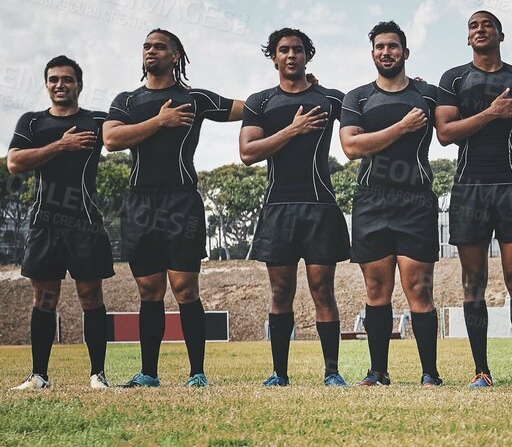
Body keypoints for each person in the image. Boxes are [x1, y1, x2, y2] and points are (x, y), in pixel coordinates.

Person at [102, 28, 244, 388]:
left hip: (181, 201)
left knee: (185, 290)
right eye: (147, 46)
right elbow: (111, 139)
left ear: (176, 55)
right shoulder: (128, 100)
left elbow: (251, 108)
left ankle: (197, 373)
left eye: (160, 46)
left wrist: (298, 88)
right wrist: (159, 122)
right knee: (149, 292)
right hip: (139, 204)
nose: (151, 51)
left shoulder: (194, 98)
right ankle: (148, 373)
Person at [435, 10, 512, 387]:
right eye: (472, 26)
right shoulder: (454, 78)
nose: (480, 29)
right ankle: (481, 371)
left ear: (501, 33)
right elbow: (445, 133)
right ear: (467, 38)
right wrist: (493, 112)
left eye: (487, 24)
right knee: (473, 282)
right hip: (469, 189)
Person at [240, 27, 350, 386]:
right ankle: (279, 373)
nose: (291, 55)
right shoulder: (260, 102)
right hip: (278, 209)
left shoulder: (331, 98)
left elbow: (371, 108)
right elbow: (248, 154)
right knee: (281, 293)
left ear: (307, 56)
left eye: (298, 50)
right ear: (273, 56)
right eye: (284, 50)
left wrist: (416, 89)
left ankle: (332, 373)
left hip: (320, 207)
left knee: (323, 291)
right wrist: (294, 128)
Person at [339, 20, 447, 385]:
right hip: (372, 201)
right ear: (372, 54)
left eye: (393, 46)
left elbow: (452, 125)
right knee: (376, 290)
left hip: (416, 200)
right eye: (380, 47)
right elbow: (351, 147)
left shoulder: (428, 95)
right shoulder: (357, 98)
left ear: (405, 52)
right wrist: (401, 128)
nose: (386, 52)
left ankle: (430, 373)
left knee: (419, 289)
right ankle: (377, 372)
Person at [7, 56, 112, 391]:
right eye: (53, 80)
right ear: (46, 84)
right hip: (45, 223)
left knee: (91, 297)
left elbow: (124, 136)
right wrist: (62, 145)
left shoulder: (96, 121)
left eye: (66, 79)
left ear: (78, 84)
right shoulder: (33, 122)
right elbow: (14, 162)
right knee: (44, 300)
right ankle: (39, 375)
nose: (60, 85)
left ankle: (98, 374)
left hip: (85, 223)